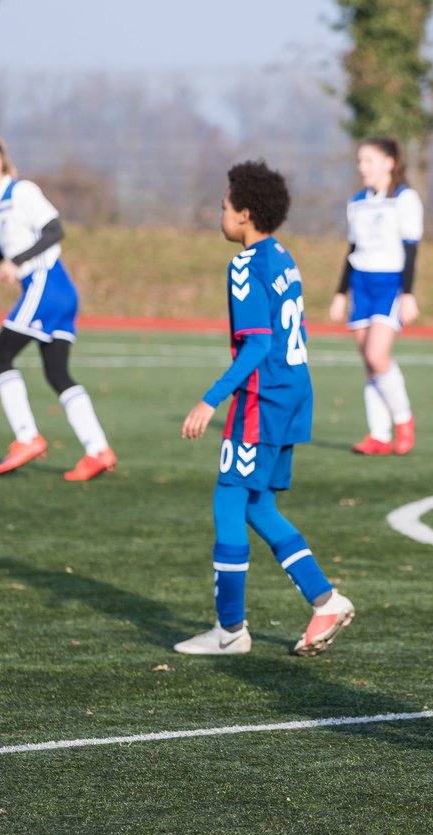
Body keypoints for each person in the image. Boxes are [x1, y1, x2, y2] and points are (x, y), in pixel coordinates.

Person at [175, 161, 354, 657]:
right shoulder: (282, 256)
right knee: (259, 504)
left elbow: (256, 345)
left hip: (263, 399)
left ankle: (230, 630)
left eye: (224, 206)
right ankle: (326, 600)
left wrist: (209, 400)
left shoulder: (245, 264)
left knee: (229, 501)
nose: (221, 213)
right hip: (294, 391)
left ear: (245, 214)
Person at [0, 137, 117, 481]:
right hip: (58, 292)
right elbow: (1, 245)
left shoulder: (22, 192)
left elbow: (54, 231)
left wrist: (16, 263)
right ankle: (98, 450)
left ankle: (27, 437)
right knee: (56, 374)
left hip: (47, 284)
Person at [329, 137, 422, 456]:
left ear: (389, 162)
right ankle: (379, 435)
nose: (362, 167)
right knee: (368, 364)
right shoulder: (357, 201)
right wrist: (340, 293)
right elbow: (352, 249)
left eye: (369, 160)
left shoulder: (405, 199)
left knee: (376, 355)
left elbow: (411, 249)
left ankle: (403, 419)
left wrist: (408, 293)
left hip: (389, 284)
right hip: (361, 284)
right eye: (360, 161)